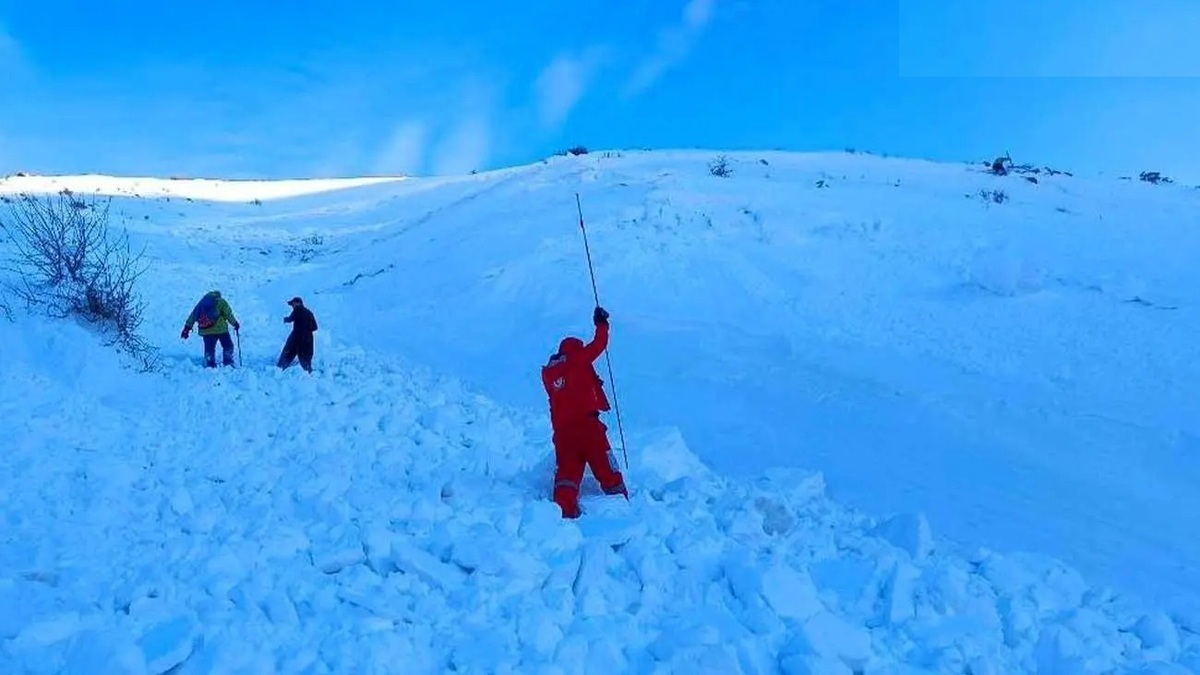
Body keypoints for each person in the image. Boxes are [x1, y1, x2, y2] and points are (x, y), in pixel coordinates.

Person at [541, 305, 628, 519]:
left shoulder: (549, 374)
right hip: (588, 428)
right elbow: (600, 344)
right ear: (576, 349)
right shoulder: (578, 359)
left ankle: (563, 513)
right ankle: (623, 509)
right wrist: (602, 323)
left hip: (563, 435)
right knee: (607, 469)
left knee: (567, 475)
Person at [180, 290, 240, 368]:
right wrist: (235, 323)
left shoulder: (201, 304)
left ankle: (209, 363)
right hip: (221, 330)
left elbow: (193, 316)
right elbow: (228, 314)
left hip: (206, 331)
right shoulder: (221, 301)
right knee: (228, 345)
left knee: (209, 348)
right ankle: (228, 362)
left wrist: (186, 329)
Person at [278, 296, 318, 372]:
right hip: (309, 338)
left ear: (298, 303)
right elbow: (315, 327)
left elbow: (290, 319)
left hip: (297, 336)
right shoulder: (309, 312)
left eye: (293, 304)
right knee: (306, 358)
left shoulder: (297, 310)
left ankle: (280, 368)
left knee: (288, 352)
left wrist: (283, 319)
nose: (292, 306)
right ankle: (309, 373)